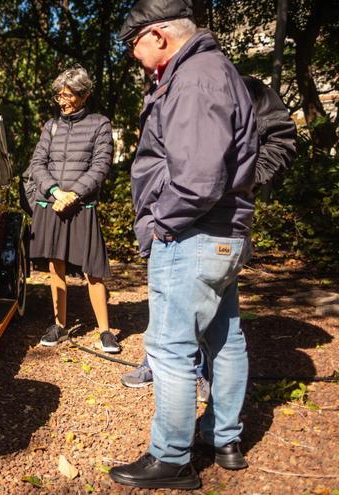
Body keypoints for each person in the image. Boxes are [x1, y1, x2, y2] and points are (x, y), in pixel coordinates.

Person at [107, 0, 259, 490]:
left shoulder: (193, 78)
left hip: (193, 231)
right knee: (225, 336)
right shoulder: (215, 69)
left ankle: (171, 458)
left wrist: (157, 224)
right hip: (222, 234)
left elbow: (196, 178)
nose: (134, 55)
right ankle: (224, 439)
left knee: (170, 349)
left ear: (159, 35)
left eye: (134, 44)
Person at [119, 74, 297, 392]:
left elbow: (280, 137)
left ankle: (200, 369)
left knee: (210, 303)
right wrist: (148, 216)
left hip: (217, 222)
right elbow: (150, 159)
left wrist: (245, 178)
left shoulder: (240, 87)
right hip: (162, 217)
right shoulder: (161, 89)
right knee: (163, 294)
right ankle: (156, 360)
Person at [25, 66, 119, 353]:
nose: (63, 101)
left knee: (94, 270)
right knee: (56, 266)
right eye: (59, 96)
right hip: (52, 203)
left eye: (68, 96)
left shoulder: (100, 124)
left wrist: (74, 194)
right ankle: (59, 326)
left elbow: (101, 165)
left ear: (84, 95)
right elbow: (38, 164)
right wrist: (55, 191)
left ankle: (105, 331)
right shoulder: (50, 127)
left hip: (82, 206)